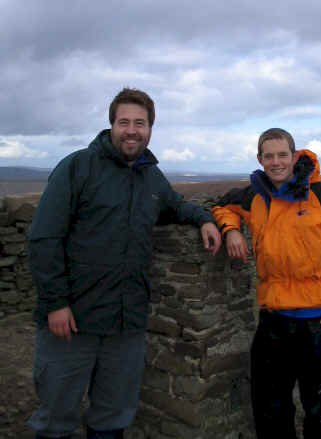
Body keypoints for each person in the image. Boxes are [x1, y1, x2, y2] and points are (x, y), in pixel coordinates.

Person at [28, 88, 221, 439]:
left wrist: (205, 219)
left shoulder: (151, 177)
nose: (132, 130)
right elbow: (44, 238)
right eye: (124, 122)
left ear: (150, 128)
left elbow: (177, 205)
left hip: (125, 323)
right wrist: (56, 303)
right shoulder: (77, 167)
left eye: (140, 123)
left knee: (112, 419)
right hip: (72, 321)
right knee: (57, 417)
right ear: (111, 125)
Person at [212, 128, 321, 439]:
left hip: (319, 322)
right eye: (269, 156)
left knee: (319, 408)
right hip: (273, 319)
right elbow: (222, 207)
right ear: (259, 159)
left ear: (294, 156)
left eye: (282, 155)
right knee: (269, 407)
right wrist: (231, 230)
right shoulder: (254, 196)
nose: (276, 162)